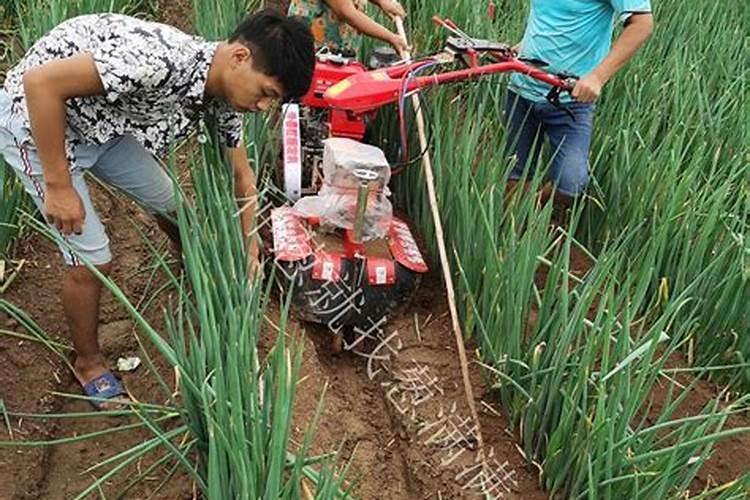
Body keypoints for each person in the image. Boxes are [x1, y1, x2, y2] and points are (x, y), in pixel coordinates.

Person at [0, 9, 315, 409]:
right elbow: (40, 83)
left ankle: (193, 272)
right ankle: (88, 363)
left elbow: (242, 177)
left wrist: (249, 248)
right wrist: (59, 185)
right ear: (239, 57)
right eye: (267, 92)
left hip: (103, 125)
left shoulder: (223, 98)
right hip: (34, 121)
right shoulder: (156, 61)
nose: (264, 107)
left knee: (175, 208)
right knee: (92, 261)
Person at [505, 0, 654, 215]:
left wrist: (597, 77)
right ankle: (513, 229)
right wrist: (523, 47)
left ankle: (536, 208)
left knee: (570, 183)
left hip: (569, 101)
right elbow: (548, 16)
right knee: (516, 172)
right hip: (521, 87)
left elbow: (642, 24)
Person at [288, 0, 408, 55]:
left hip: (335, 50)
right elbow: (347, 12)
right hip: (312, 48)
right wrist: (391, 37)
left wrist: (382, 2)